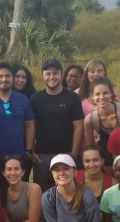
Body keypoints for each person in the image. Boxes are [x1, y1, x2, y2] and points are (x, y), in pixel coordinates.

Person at [0, 62, 35, 190]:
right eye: (0, 76)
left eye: (8, 76)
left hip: (20, 157)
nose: (4, 79)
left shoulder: (23, 100)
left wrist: (29, 151)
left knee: (20, 194)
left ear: (12, 79)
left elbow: (29, 126)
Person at [30, 58, 85, 192]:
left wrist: (74, 153)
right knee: (43, 192)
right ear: (42, 75)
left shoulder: (72, 98)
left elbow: (78, 126)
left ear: (61, 74)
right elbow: (31, 126)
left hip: (67, 153)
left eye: (55, 73)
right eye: (48, 74)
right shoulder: (35, 99)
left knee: (69, 192)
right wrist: (31, 151)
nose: (52, 77)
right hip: (42, 155)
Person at [2, 156, 43, 222]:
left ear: (23, 172)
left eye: (16, 169)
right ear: (3, 173)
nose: (13, 173)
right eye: (9, 169)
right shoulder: (2, 194)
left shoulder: (33, 189)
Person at [83, 77, 120, 169]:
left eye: (105, 93)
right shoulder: (90, 119)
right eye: (97, 94)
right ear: (92, 96)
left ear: (111, 94)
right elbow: (91, 148)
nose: (102, 97)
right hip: (105, 152)